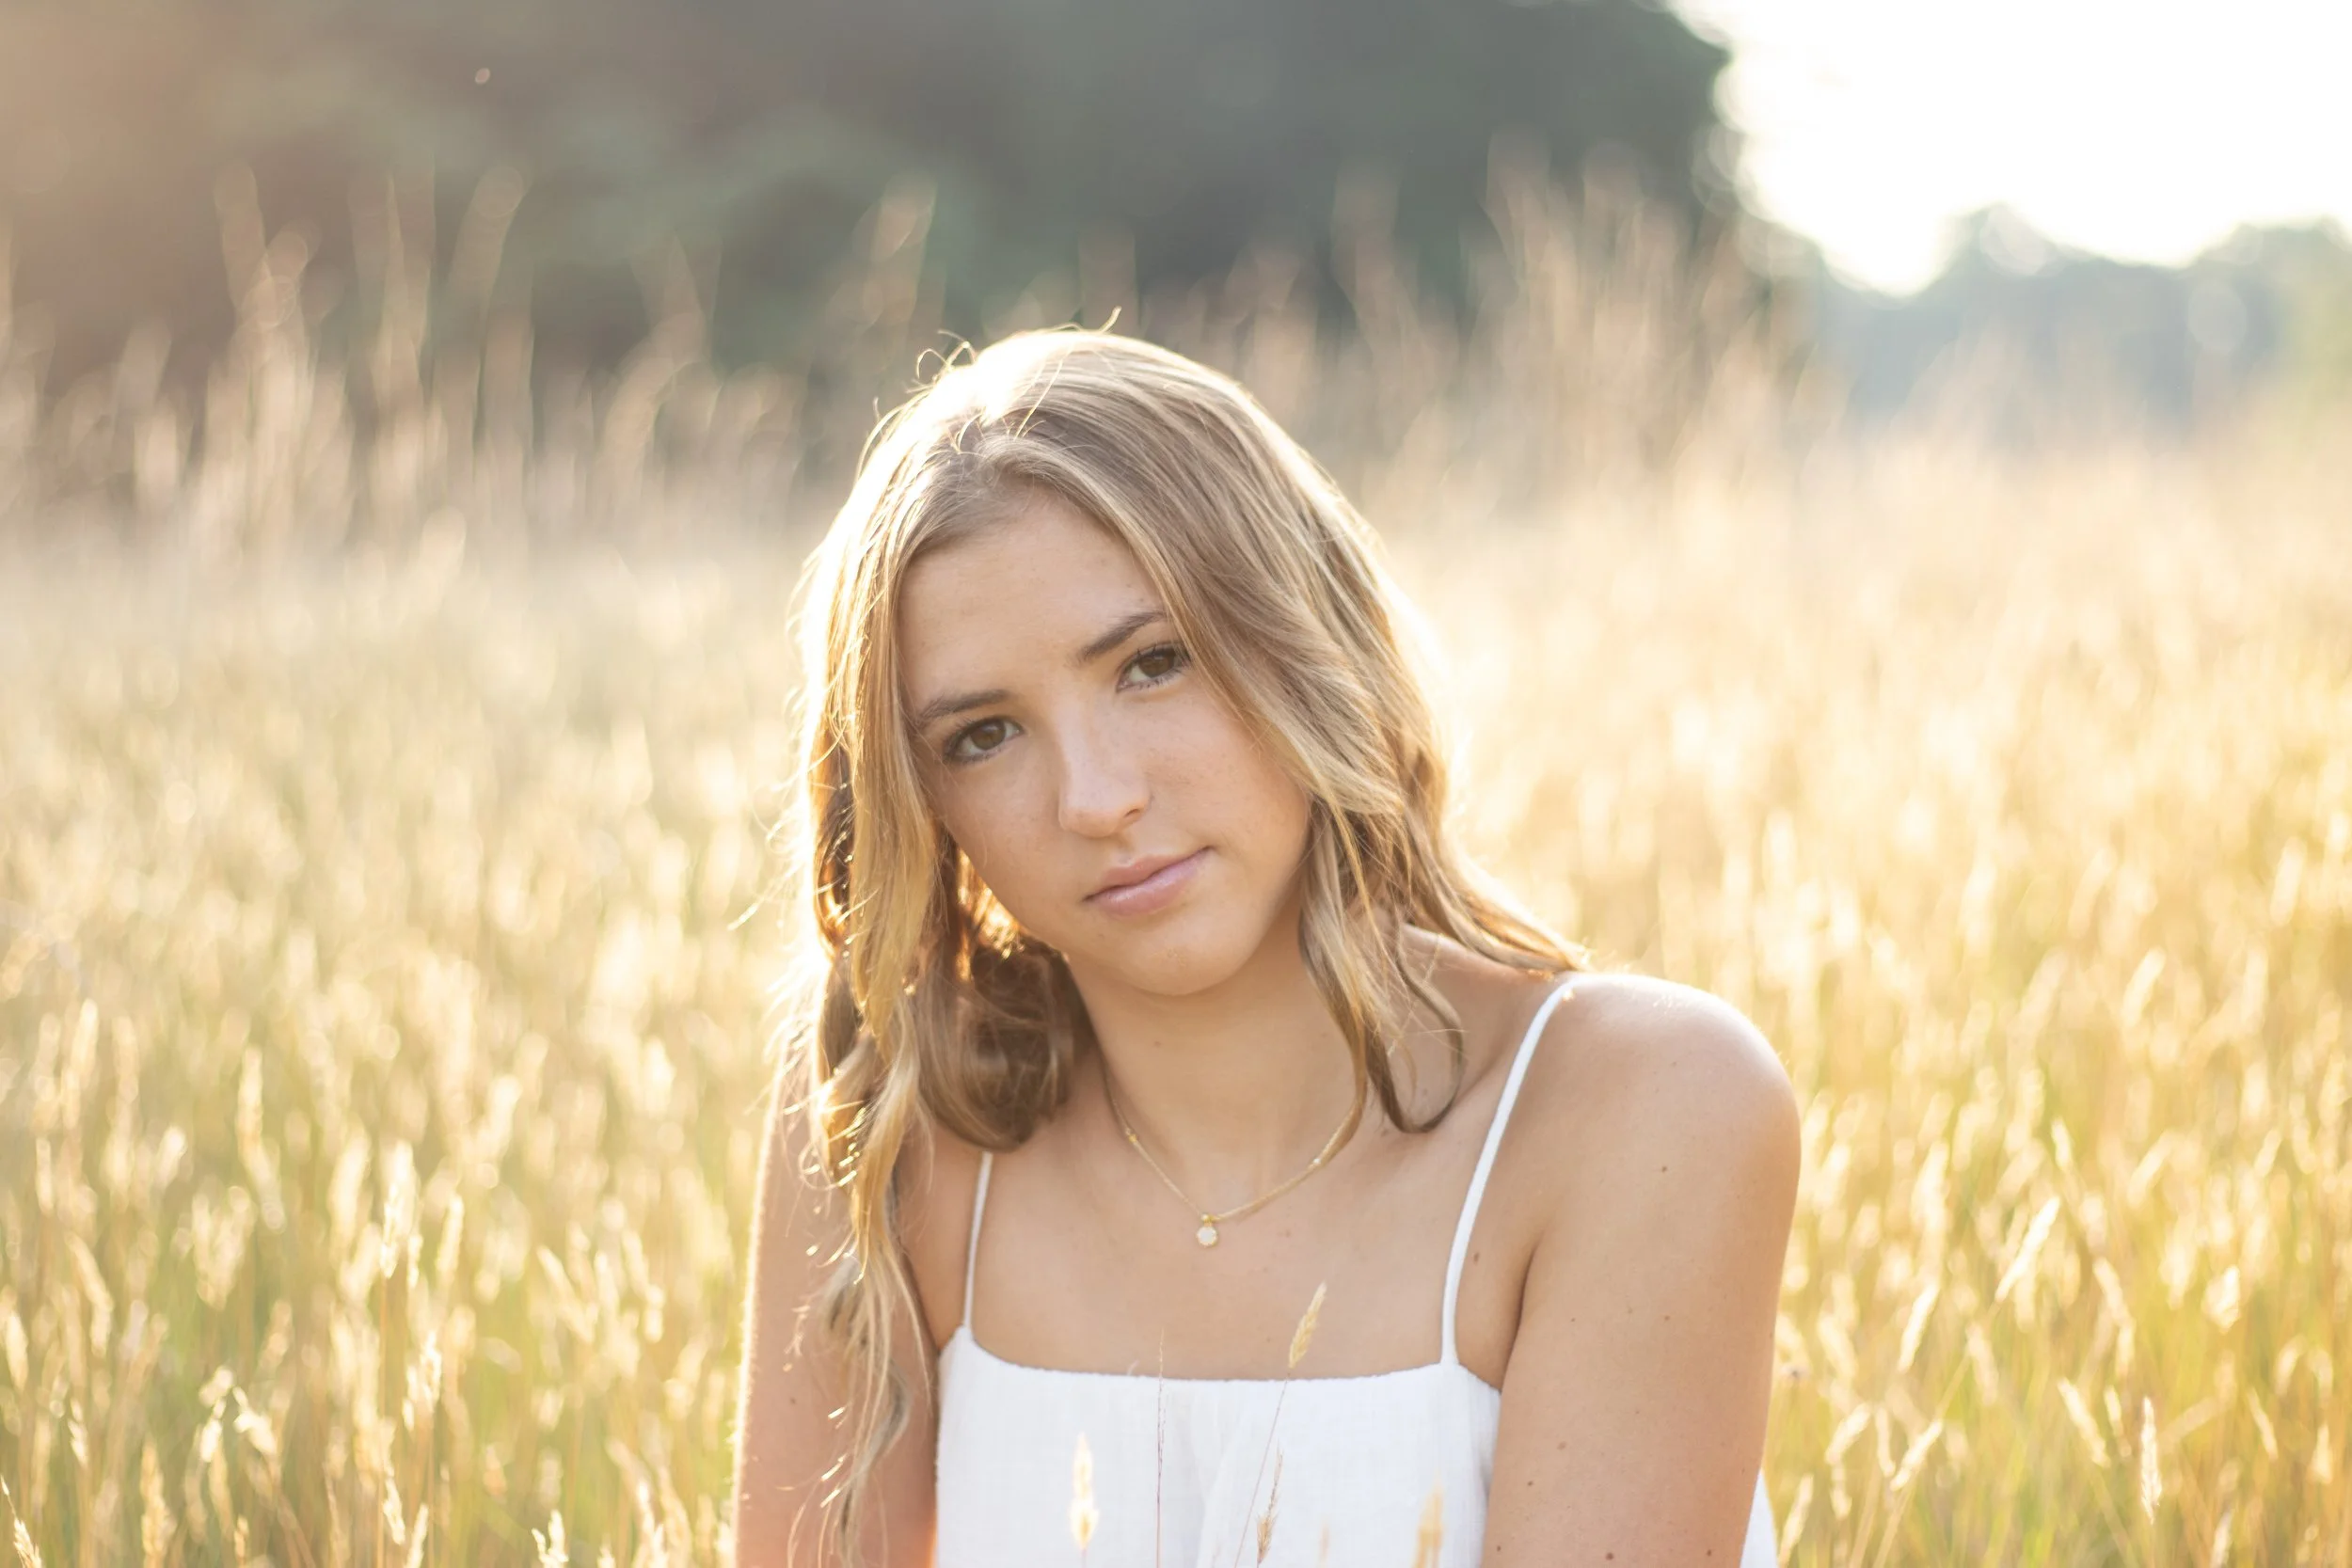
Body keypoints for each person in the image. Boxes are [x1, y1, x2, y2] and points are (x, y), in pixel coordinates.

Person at [733, 330, 1799, 1567]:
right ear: (923, 801)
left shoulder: (1640, 1108)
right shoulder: (893, 1115)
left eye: (1152, 662)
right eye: (984, 735)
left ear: (1300, 633)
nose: (1093, 796)